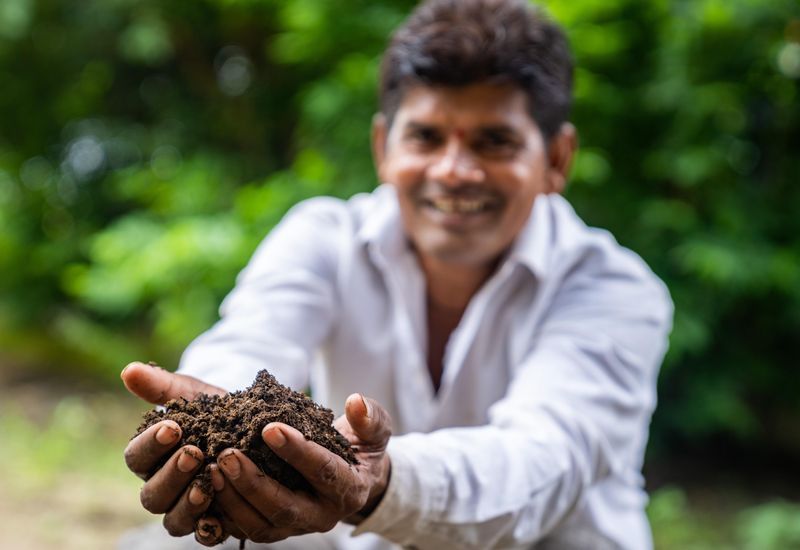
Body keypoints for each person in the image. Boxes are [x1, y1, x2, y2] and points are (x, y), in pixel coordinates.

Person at [120, 0, 673, 548]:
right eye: (427, 137)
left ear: (556, 159)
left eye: (494, 141)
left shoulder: (614, 290)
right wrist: (210, 427)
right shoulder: (324, 239)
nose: (454, 171)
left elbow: (544, 460)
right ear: (384, 148)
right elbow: (248, 343)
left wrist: (380, 484)